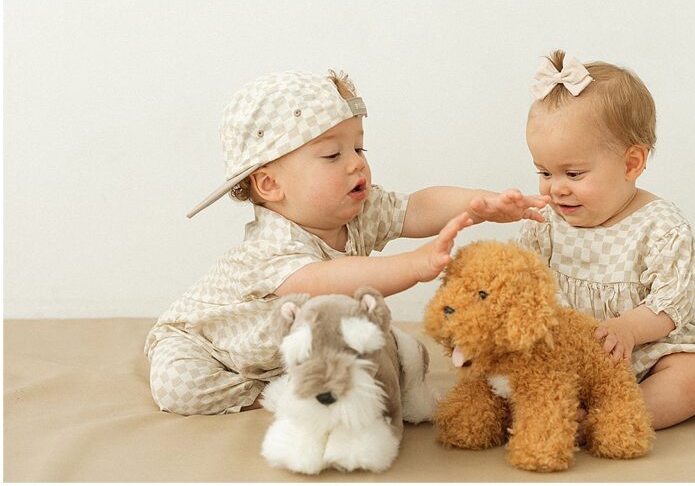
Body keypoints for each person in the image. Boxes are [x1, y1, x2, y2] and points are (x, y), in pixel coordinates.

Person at [145, 68, 548, 415]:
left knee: (387, 350)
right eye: (332, 155)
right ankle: (270, 393)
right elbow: (335, 279)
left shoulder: (358, 210)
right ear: (270, 184)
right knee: (178, 383)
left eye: (359, 147)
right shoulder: (271, 245)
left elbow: (416, 207)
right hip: (209, 347)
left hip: (297, 340)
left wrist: (481, 207)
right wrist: (415, 264)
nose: (357, 162)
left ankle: (306, 372)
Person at [516, 51, 695, 430]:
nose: (556, 188)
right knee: (511, 363)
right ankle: (551, 410)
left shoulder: (662, 226)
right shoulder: (544, 222)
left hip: (648, 349)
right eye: (544, 171)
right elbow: (526, 286)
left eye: (574, 173)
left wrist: (627, 328)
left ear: (632, 164)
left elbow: (672, 303)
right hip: (569, 351)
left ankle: (609, 419)